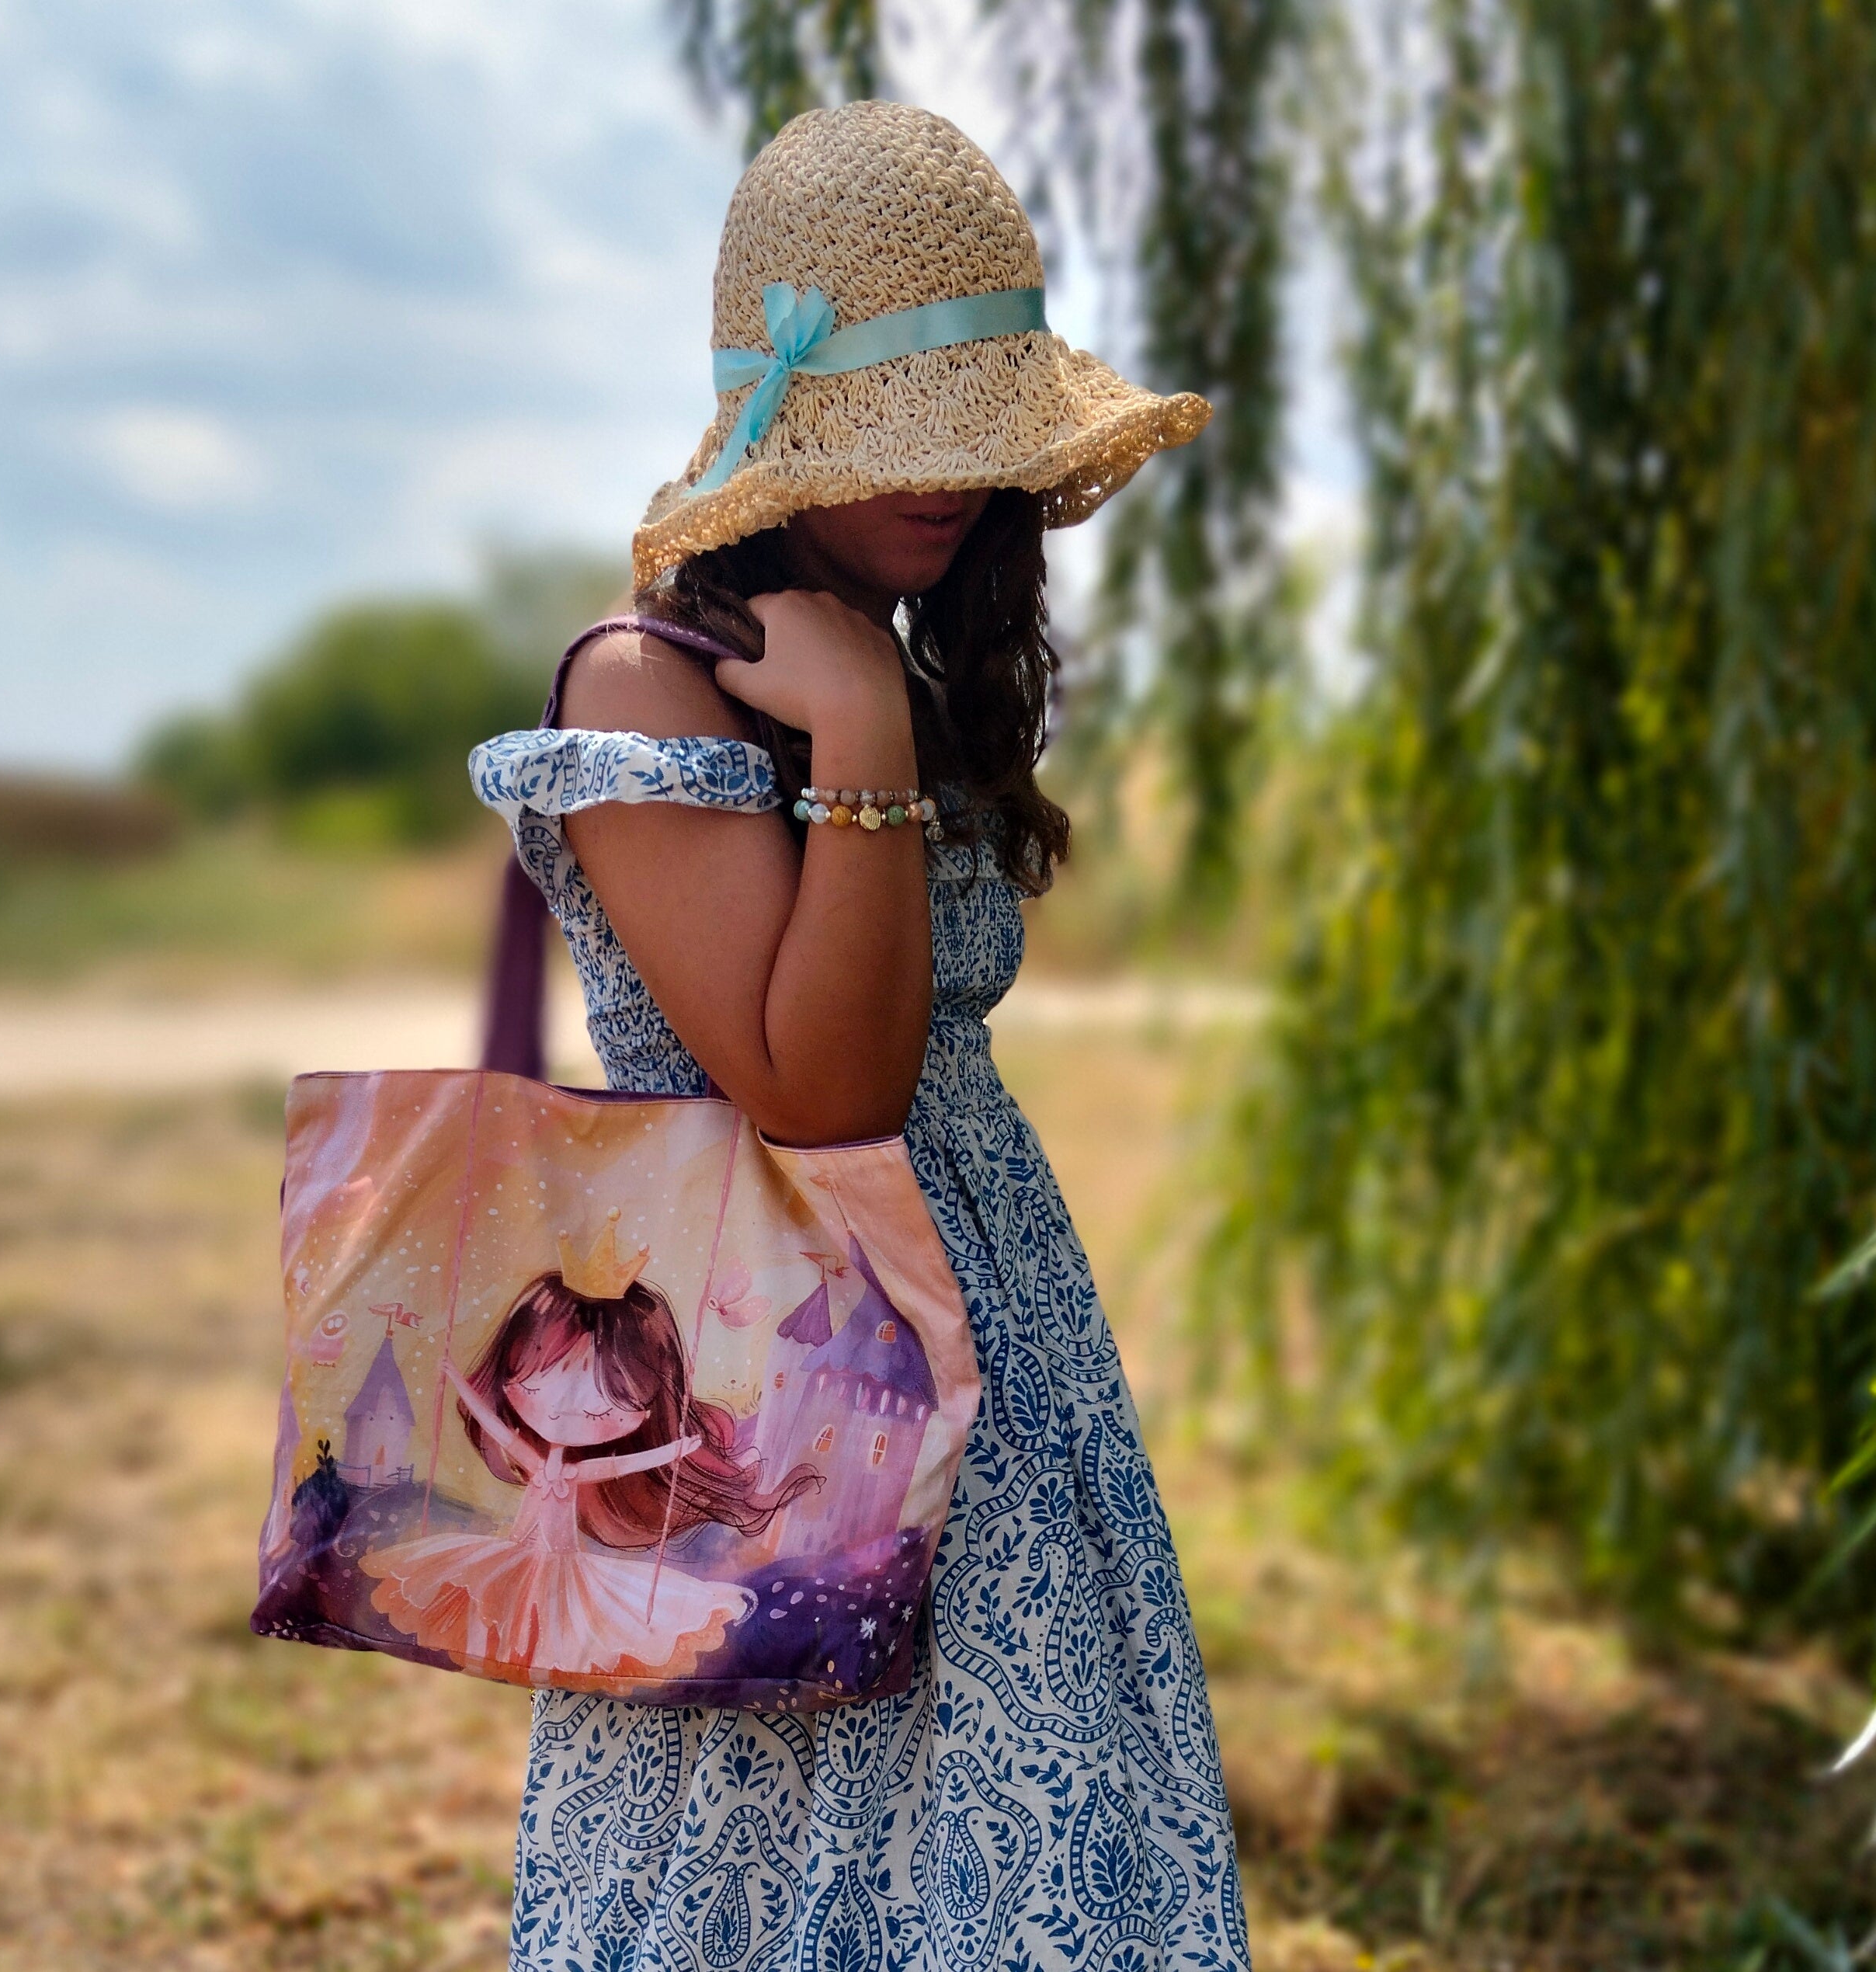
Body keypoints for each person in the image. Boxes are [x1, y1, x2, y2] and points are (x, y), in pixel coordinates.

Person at [471, 98, 1250, 1972]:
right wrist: (865, 744)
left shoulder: (869, 654)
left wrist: (874, 714)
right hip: (769, 1382)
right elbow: (825, 1092)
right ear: (785, 432)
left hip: (993, 1349)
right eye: (908, 431)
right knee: (786, 1858)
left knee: (1017, 1843)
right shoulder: (645, 689)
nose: (956, 482)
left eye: (983, 436)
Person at [360, 1251, 818, 1683]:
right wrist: (459, 1382)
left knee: (565, 1633)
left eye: (601, 1408)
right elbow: (497, 1428)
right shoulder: (541, 1463)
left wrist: (671, 1452)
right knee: (503, 1615)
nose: (562, 1411)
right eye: (532, 1387)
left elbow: (628, 1464)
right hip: (516, 1558)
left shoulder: (578, 1473)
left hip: (563, 1569)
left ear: (646, 1406)